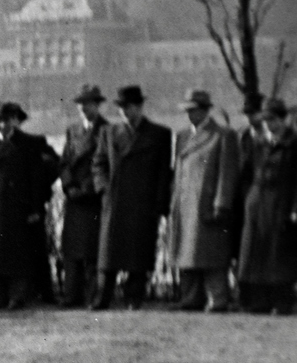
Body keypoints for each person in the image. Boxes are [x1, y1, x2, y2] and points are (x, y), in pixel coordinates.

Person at [92, 85, 173, 310]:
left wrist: (159, 205)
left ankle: (133, 298)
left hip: (143, 202)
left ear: (139, 107)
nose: (124, 112)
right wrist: (105, 189)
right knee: (108, 256)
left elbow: (163, 173)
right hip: (115, 201)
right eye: (121, 108)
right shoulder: (109, 133)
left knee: (140, 253)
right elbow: (98, 164)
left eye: (129, 107)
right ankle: (103, 298)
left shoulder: (160, 134)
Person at [0, 102, 57, 310]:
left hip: (21, 211)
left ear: (14, 121)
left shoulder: (30, 143)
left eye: (5, 121)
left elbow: (42, 176)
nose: (1, 125)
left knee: (19, 254)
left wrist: (36, 207)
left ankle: (17, 296)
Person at [169, 90, 240, 312]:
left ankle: (218, 298)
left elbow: (227, 173)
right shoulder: (182, 136)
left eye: (193, 110)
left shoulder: (223, 135)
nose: (189, 115)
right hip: (184, 203)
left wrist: (222, 203)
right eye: (187, 111)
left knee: (210, 253)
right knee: (187, 253)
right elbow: (178, 172)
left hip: (207, 203)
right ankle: (191, 298)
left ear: (205, 110)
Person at [236, 97, 297, 314]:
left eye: (273, 120)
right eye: (265, 120)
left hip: (281, 203)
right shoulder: (258, 142)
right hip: (257, 203)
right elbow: (245, 174)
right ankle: (259, 302)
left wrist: (295, 208)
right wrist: (247, 200)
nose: (269, 124)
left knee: (279, 254)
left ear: (283, 119)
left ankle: (282, 302)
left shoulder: (293, 143)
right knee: (256, 252)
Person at [58, 87, 108, 307]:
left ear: (97, 105)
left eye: (88, 104)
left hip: (93, 199)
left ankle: (93, 296)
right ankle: (71, 295)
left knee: (92, 251)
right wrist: (69, 186)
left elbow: (104, 164)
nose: (83, 108)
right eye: (80, 104)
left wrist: (88, 188)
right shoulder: (73, 130)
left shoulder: (107, 130)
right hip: (74, 199)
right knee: (72, 250)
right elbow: (65, 162)